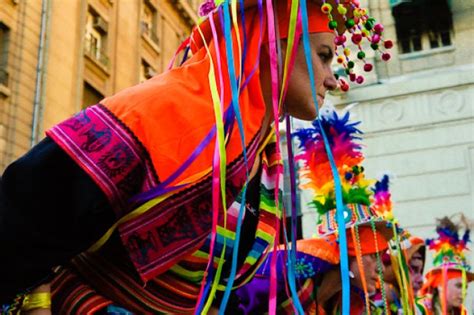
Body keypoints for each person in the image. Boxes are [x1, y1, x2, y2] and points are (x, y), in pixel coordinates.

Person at [0, 0, 392, 314]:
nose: (332, 78)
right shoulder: (163, 112)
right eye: (324, 56)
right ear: (274, 43)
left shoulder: (265, 158)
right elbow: (20, 217)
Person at [234, 106, 401, 314]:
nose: (380, 268)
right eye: (372, 255)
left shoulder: (342, 302)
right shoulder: (282, 274)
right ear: (349, 251)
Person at [416, 215, 473, 315]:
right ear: (440, 284)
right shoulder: (419, 309)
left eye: (466, 287)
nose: (464, 292)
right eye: (459, 286)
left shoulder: (461, 312)